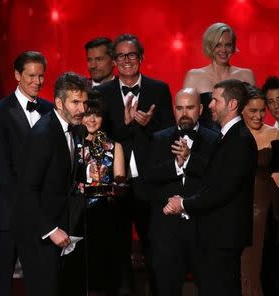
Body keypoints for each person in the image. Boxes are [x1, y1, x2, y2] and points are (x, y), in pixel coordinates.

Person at [95, 33, 174, 293]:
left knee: (155, 250)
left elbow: (170, 135)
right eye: (121, 56)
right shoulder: (102, 93)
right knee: (117, 251)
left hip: (149, 183)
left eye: (132, 54)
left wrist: (147, 124)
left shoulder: (159, 89)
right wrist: (126, 124)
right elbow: (99, 137)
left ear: (141, 57)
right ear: (114, 61)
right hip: (115, 184)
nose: (127, 60)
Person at [164, 79, 257, 296]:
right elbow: (217, 173)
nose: (211, 105)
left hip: (224, 234)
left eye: (215, 100)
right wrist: (190, 159)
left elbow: (222, 189)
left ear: (232, 104)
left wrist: (184, 203)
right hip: (218, 233)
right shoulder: (230, 136)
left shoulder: (240, 139)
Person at [11, 72, 89, 296]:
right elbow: (26, 189)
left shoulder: (71, 129)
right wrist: (51, 230)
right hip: (40, 234)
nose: (82, 108)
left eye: (84, 102)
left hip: (60, 233)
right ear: (58, 102)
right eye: (75, 102)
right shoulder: (43, 134)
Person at [0, 51, 53, 296]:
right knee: (3, 277)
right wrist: (29, 205)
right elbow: (2, 169)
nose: (37, 81)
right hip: (11, 209)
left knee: (39, 277)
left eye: (41, 76)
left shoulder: (49, 110)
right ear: (17, 75)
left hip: (42, 211)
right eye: (31, 76)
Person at [146, 88, 219, 296]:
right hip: (166, 231)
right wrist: (176, 165)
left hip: (202, 229)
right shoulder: (159, 138)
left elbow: (215, 179)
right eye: (179, 108)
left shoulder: (214, 140)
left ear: (201, 109)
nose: (184, 113)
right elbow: (149, 177)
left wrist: (189, 159)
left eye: (190, 107)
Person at [75, 92, 126, 295]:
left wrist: (114, 188)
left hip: (106, 215)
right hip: (78, 216)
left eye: (96, 115)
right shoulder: (73, 144)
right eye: (87, 114)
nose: (92, 119)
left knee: (104, 272)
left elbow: (120, 182)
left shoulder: (115, 147)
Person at [240, 84, 279, 296]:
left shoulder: (276, 133)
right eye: (253, 111)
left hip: (269, 208)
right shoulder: (234, 135)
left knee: (267, 263)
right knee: (246, 262)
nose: (259, 116)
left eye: (262, 111)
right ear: (242, 110)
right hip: (242, 207)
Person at [183, 22, 255, 129]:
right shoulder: (193, 76)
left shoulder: (246, 75)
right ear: (210, 46)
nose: (223, 50)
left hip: (239, 140)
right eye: (218, 45)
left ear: (233, 46)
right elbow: (187, 114)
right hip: (206, 142)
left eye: (228, 45)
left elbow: (254, 110)